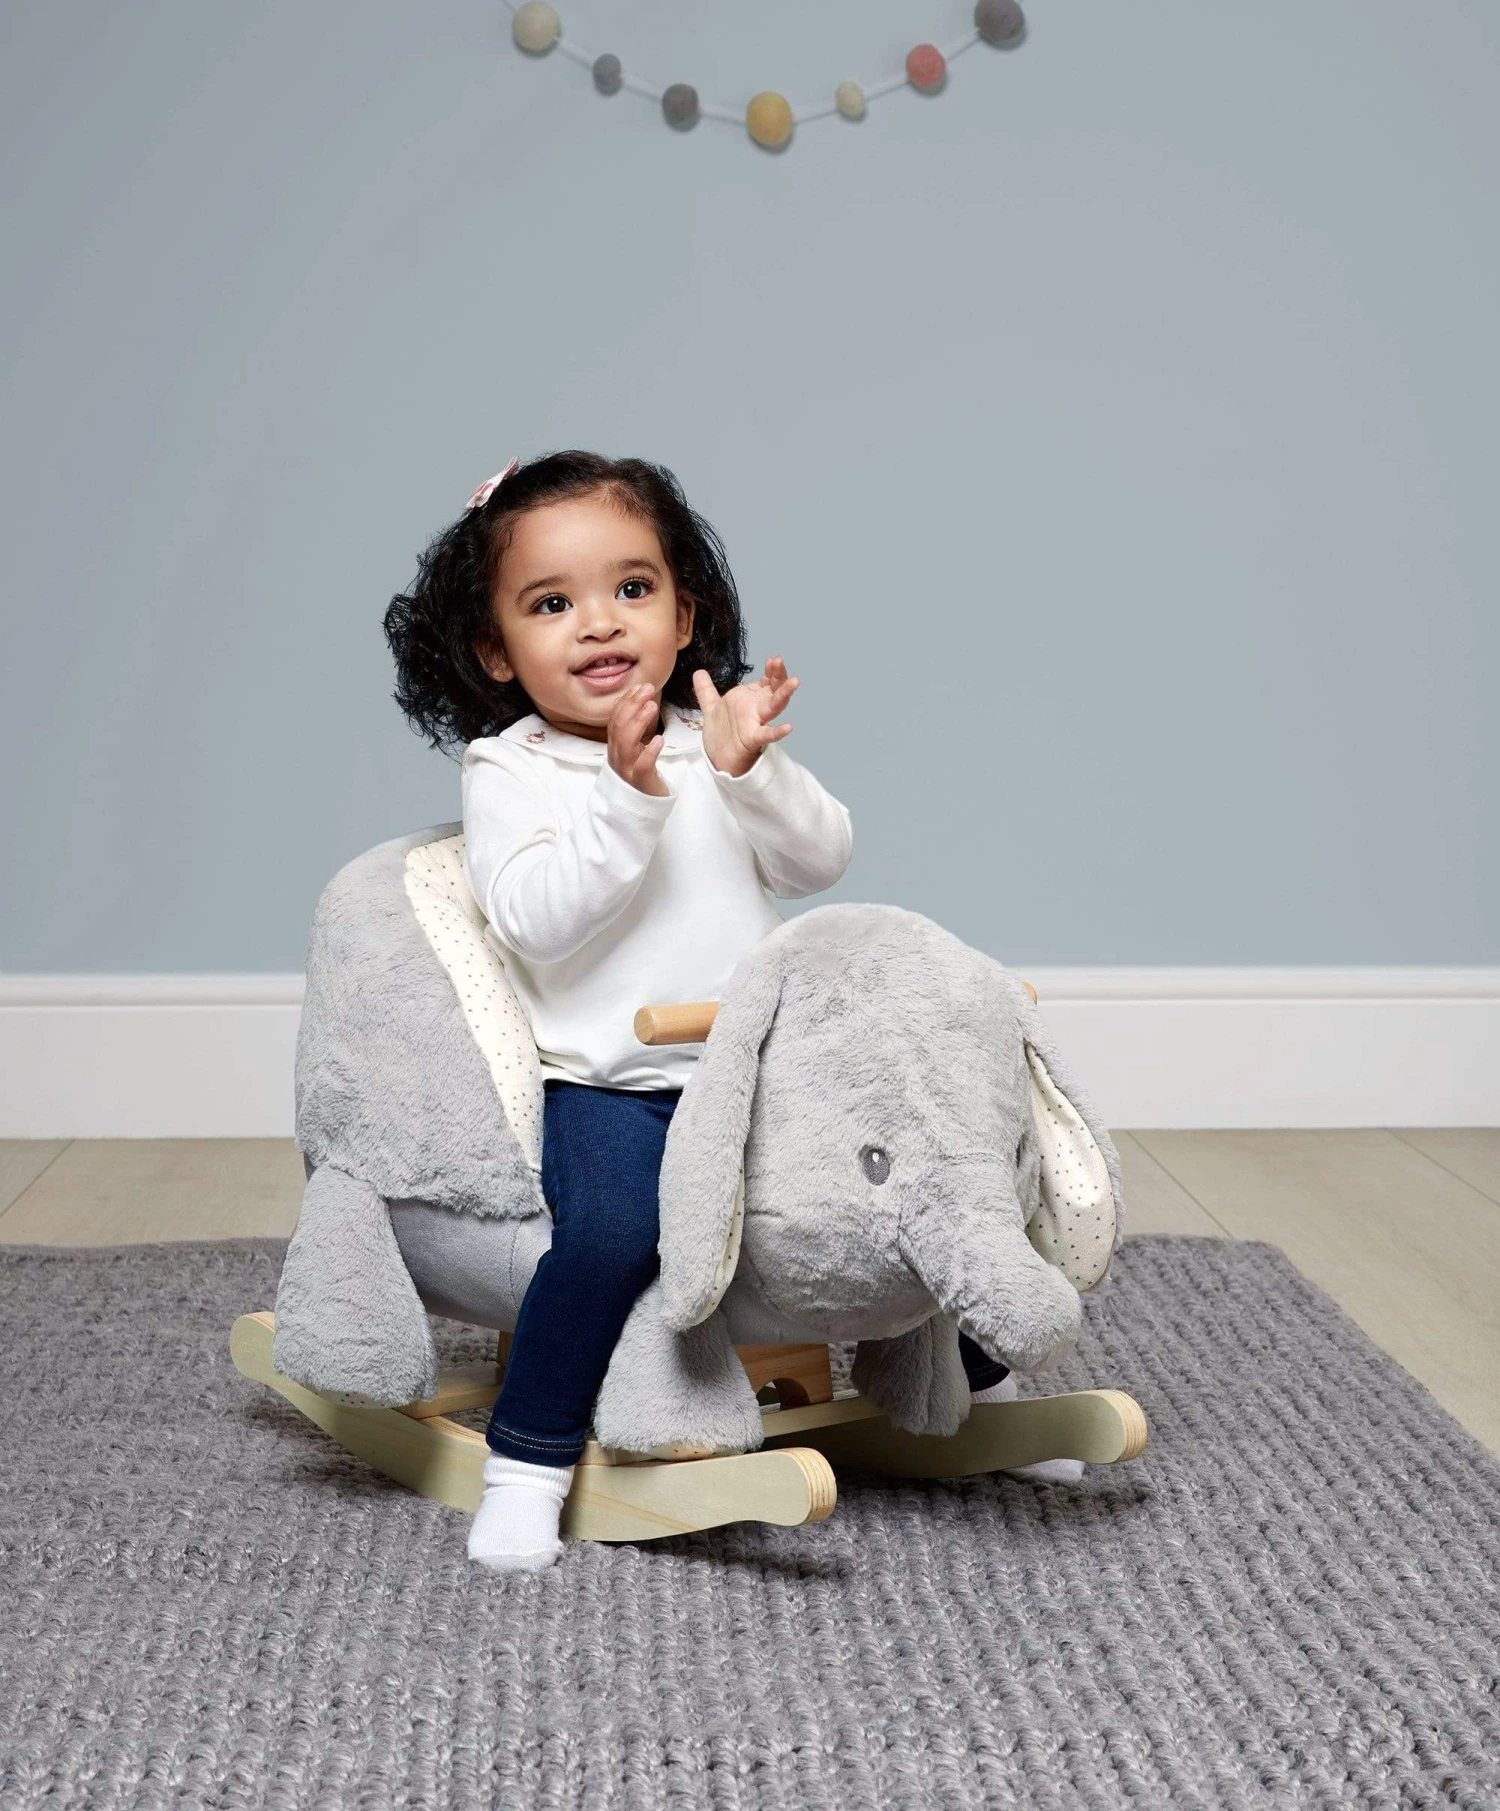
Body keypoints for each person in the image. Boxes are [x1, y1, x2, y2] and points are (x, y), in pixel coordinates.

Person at [383, 450, 1047, 1573]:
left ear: (684, 615)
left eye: (632, 588)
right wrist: (624, 798)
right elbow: (535, 919)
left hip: (765, 1072)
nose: (600, 622)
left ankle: (988, 1389)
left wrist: (750, 773)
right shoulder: (513, 769)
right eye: (552, 604)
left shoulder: (711, 736)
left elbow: (819, 859)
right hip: (617, 1085)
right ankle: (527, 1459)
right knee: (613, 1237)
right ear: (496, 649)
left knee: (909, 1179)